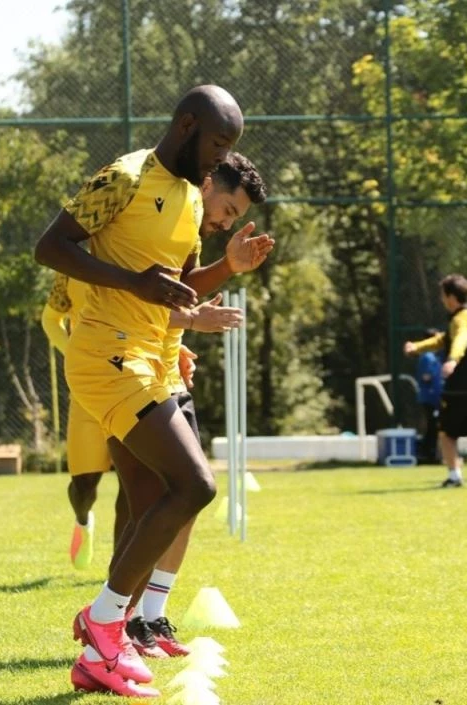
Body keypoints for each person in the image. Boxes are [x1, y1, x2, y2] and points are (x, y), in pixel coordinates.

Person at [35, 85, 266, 697]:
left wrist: (229, 267)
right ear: (186, 125)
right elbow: (49, 247)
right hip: (106, 356)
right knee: (196, 485)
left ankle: (101, 654)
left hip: (150, 359)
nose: (221, 160)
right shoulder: (126, 176)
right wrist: (133, 282)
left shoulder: (190, 196)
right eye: (218, 144)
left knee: (150, 502)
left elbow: (180, 288)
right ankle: (104, 620)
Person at [123, 152, 269, 660]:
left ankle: (151, 616)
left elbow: (178, 300)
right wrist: (191, 323)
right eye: (227, 209)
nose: (226, 221)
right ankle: (115, 620)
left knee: (188, 497)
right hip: (131, 375)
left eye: (235, 216)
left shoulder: (191, 233)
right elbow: (134, 305)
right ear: (206, 186)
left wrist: (226, 269)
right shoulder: (157, 219)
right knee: (153, 501)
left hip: (168, 374)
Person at [41, 270, 239, 571]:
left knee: (135, 485)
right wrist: (79, 353)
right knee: (84, 485)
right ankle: (83, 520)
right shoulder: (72, 268)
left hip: (134, 381)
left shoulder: (133, 260)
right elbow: (50, 320)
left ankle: (121, 576)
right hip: (89, 387)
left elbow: (147, 318)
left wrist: (171, 348)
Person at [404, 275, 467, 489]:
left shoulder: (461, 319)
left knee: (446, 433)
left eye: (443, 295)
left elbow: (460, 339)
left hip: (460, 387)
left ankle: (454, 477)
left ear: (451, 297)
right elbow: (442, 340)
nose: (442, 299)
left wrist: (452, 360)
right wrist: (417, 347)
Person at [415, 329, 443, 463]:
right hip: (430, 397)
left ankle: (431, 452)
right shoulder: (428, 357)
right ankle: (427, 453)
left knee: (434, 426)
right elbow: (426, 376)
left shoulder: (434, 356)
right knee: (433, 426)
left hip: (435, 397)